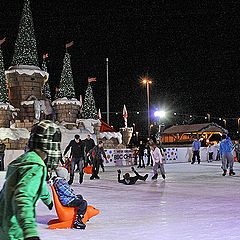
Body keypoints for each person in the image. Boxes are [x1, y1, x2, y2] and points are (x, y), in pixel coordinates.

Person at [0, 120, 63, 240]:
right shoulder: (36, 165)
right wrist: (30, 232)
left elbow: (37, 186)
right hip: (15, 231)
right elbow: (23, 197)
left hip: (4, 225)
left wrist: (48, 200)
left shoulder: (25, 160)